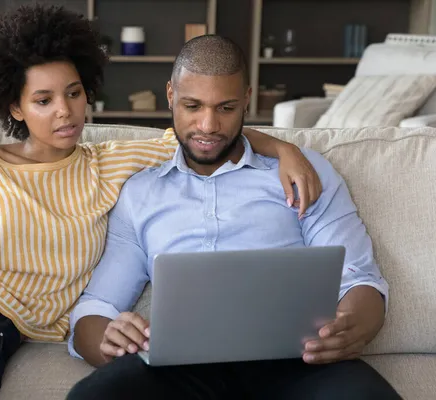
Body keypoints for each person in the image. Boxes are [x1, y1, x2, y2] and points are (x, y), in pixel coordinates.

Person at [0, 5, 322, 400]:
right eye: (43, 100)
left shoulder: (109, 163)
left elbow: (203, 131)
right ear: (15, 106)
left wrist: (284, 149)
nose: (65, 111)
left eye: (73, 93)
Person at [67, 35, 401, 400]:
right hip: (176, 372)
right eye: (192, 106)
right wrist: (108, 338)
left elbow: (360, 280)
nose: (208, 126)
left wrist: (352, 328)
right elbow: (96, 306)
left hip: (299, 363)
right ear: (170, 95)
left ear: (246, 99)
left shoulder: (303, 172)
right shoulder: (140, 193)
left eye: (225, 108)